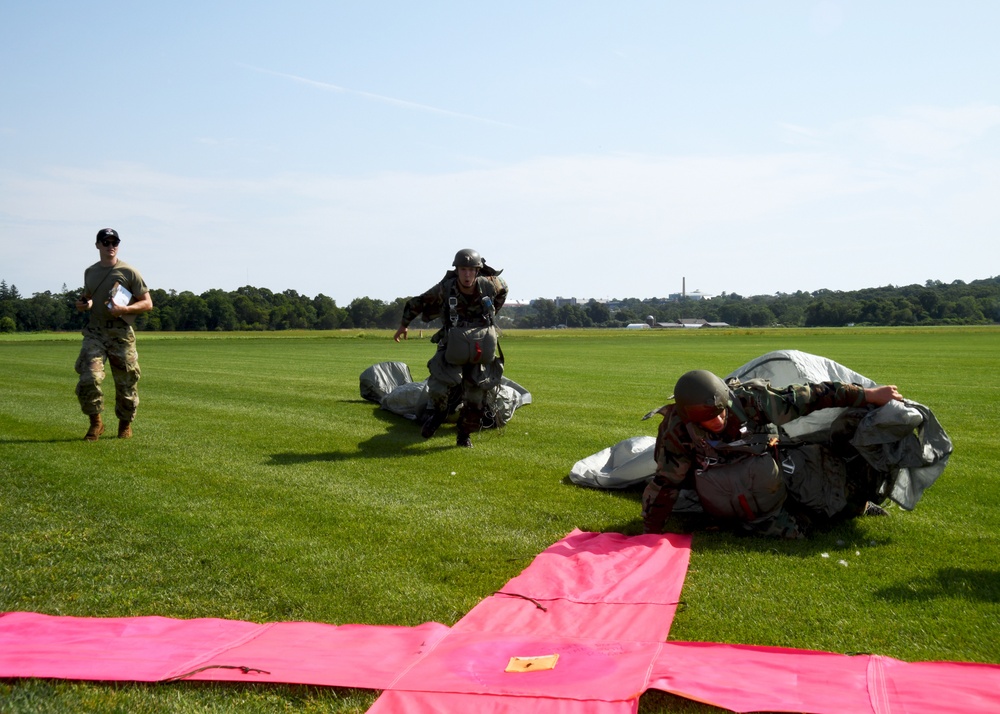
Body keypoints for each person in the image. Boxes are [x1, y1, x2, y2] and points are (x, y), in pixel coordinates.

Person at [641, 369, 904, 539]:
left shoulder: (752, 401)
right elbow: (667, 480)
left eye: (722, 411)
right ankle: (773, 518)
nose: (719, 420)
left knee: (824, 485)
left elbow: (812, 396)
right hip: (723, 488)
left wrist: (868, 394)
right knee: (794, 534)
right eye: (709, 419)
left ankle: (857, 505)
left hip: (775, 466)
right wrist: (651, 531)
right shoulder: (678, 427)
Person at [393, 249, 508, 448]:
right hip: (451, 346)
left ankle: (464, 435)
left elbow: (504, 289)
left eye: (471, 270)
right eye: (463, 269)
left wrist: (492, 313)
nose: (467, 274)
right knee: (438, 388)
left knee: (476, 397)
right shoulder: (445, 289)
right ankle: (438, 414)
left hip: (479, 348)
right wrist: (404, 324)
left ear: (477, 271)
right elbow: (419, 302)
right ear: (457, 270)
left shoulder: (490, 285)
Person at [74, 228, 153, 440]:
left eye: (114, 242)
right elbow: (88, 297)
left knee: (126, 382)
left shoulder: (129, 272)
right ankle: (96, 423)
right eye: (106, 242)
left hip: (121, 334)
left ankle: (125, 425)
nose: (111, 246)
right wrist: (84, 304)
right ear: (98, 245)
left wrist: (124, 310)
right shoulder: (90, 272)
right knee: (89, 378)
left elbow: (147, 303)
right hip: (96, 332)